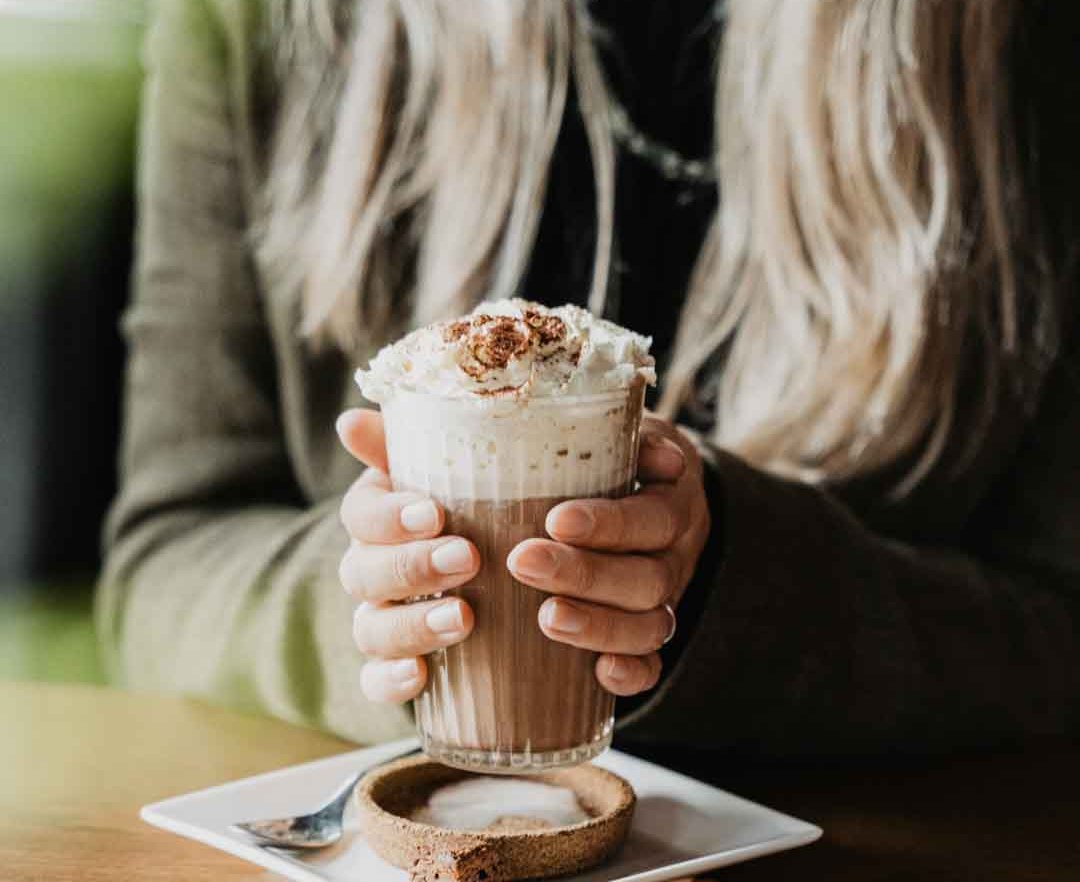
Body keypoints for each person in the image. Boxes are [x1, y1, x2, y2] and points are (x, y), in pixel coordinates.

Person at [98, 0, 1080, 758]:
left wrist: (726, 583)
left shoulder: (1019, 45)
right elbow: (163, 568)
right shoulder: (272, 24)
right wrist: (375, 612)